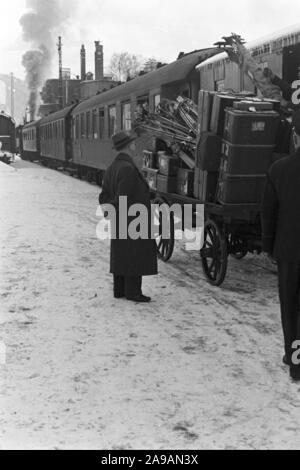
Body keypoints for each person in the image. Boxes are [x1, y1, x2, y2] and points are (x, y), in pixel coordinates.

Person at [261, 110, 300, 381]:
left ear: (295, 135)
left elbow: (268, 214)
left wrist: (268, 246)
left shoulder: (278, 170)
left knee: (291, 308)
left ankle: (295, 361)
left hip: (289, 252)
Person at [99, 131, 158, 302]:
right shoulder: (127, 168)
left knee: (121, 254)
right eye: (132, 143)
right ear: (127, 146)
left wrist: (110, 212)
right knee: (134, 254)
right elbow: (123, 197)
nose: (134, 145)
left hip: (122, 219)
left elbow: (104, 195)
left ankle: (120, 290)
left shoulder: (113, 167)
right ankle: (133, 292)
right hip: (132, 219)